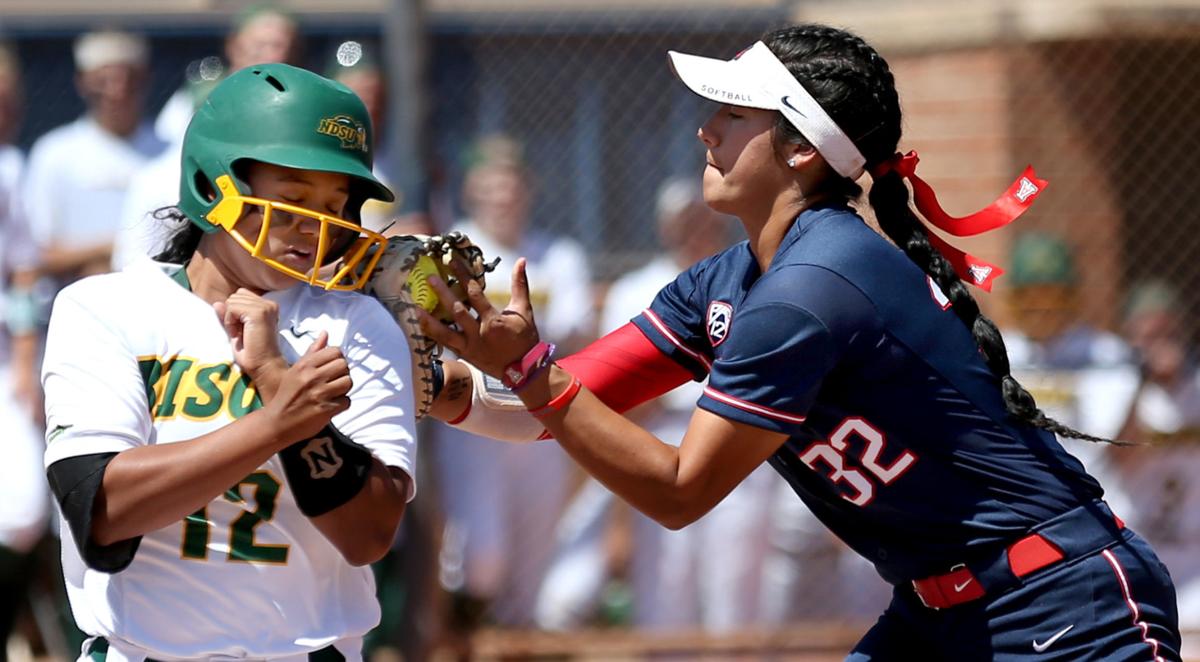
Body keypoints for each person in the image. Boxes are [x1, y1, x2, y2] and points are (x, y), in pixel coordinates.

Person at [423, 24, 1182, 659]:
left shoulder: (815, 284)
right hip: (940, 613)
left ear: (801, 150)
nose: (706, 128)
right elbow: (544, 407)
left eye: (735, 115)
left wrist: (529, 372)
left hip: (1065, 605)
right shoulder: (730, 279)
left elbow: (679, 490)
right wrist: (445, 387)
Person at [41, 63, 416, 661]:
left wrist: (275, 380)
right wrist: (277, 421)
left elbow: (368, 534)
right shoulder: (106, 307)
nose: (312, 229)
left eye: (333, 207)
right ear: (212, 186)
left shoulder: (358, 323)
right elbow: (105, 509)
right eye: (291, 200)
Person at [432, 134, 594, 628]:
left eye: (511, 182)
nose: (502, 194)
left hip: (538, 414)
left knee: (532, 560)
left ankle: (512, 641)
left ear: (526, 189)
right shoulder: (446, 250)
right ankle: (462, 634)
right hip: (471, 413)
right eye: (491, 183)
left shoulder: (557, 255)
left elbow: (577, 328)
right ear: (472, 190)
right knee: (480, 557)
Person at [113, 8, 301, 270]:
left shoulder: (301, 114)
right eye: (260, 44)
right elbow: (131, 264)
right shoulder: (161, 171)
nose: (272, 54)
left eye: (281, 46)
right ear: (234, 45)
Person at [23, 30, 165, 289]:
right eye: (103, 80)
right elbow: (35, 254)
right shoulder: (54, 153)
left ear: (145, 80)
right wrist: (111, 249)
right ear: (82, 82)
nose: (116, 90)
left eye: (128, 80)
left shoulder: (170, 153)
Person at [0, 42, 54, 658]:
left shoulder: (11, 169)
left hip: (4, 356)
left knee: (21, 512)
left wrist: (22, 355)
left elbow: (21, 271)